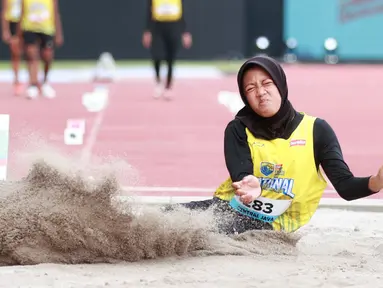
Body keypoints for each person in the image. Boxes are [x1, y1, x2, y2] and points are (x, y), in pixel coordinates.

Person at [167, 55, 383, 235]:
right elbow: (241, 172)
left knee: (215, 230)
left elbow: (345, 187)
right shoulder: (238, 128)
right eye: (251, 88)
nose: (260, 92)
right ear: (245, 96)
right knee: (168, 215)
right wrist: (248, 183)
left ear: (280, 85)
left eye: (267, 83)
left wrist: (376, 181)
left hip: (273, 226)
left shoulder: (316, 130)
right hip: (229, 207)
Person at [142, 0, 192, 100]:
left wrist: (185, 32)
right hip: (157, 26)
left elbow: (183, 13)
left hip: (174, 26)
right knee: (156, 55)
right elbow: (149, 12)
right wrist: (147, 31)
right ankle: (158, 83)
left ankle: (168, 87)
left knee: (171, 58)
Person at [18, 0, 63, 99]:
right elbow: (22, 13)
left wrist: (58, 33)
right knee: (31, 54)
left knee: (47, 55)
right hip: (30, 28)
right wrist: (19, 34)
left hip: (46, 29)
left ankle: (45, 82)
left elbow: (55, 13)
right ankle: (33, 84)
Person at [1, 0, 23, 95]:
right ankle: (16, 80)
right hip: (13, 21)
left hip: (27, 22)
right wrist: (5, 30)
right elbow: (4, 11)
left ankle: (34, 80)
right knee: (15, 52)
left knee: (32, 51)